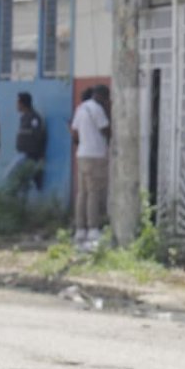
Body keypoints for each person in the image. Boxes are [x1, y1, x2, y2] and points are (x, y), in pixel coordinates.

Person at [71, 85, 111, 248]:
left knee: (82, 193)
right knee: (94, 193)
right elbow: (107, 131)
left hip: (81, 154)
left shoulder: (81, 108)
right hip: (95, 155)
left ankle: (80, 228)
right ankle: (93, 228)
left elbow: (74, 133)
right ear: (102, 97)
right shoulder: (97, 110)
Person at [7, 92, 46, 194]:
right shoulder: (24, 117)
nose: (16, 105)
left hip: (28, 154)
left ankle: (13, 198)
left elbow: (39, 136)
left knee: (10, 174)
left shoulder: (33, 117)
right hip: (22, 153)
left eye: (17, 103)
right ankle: (19, 204)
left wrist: (39, 155)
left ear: (22, 104)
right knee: (22, 180)